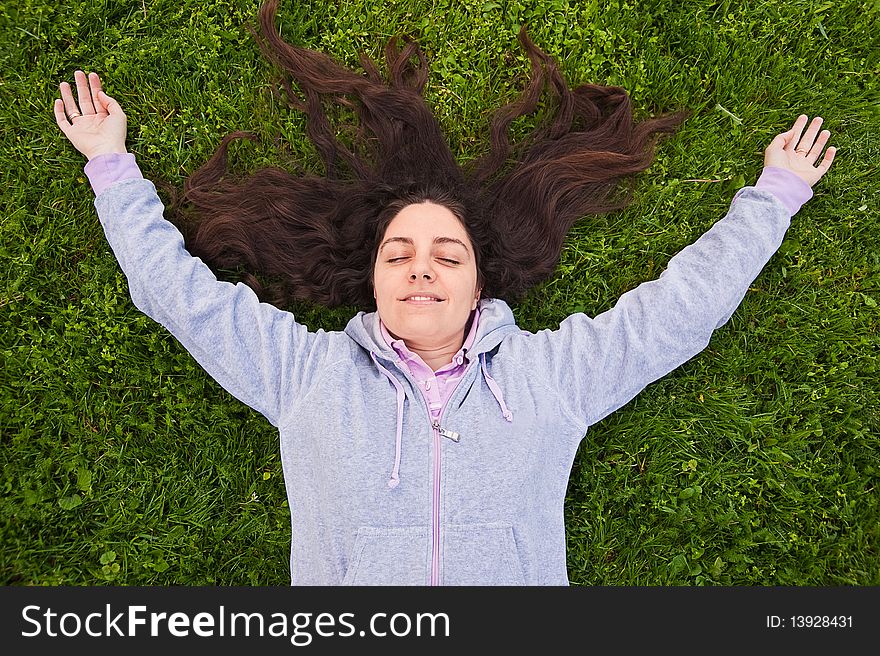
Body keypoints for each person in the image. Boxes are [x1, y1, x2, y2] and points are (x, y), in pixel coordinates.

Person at [54, 0, 835, 585]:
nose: (420, 268)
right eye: (399, 254)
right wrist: (110, 165)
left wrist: (775, 196)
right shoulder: (305, 375)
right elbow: (177, 294)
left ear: (478, 285)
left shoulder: (551, 378)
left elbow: (676, 313)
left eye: (445, 255)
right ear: (374, 282)